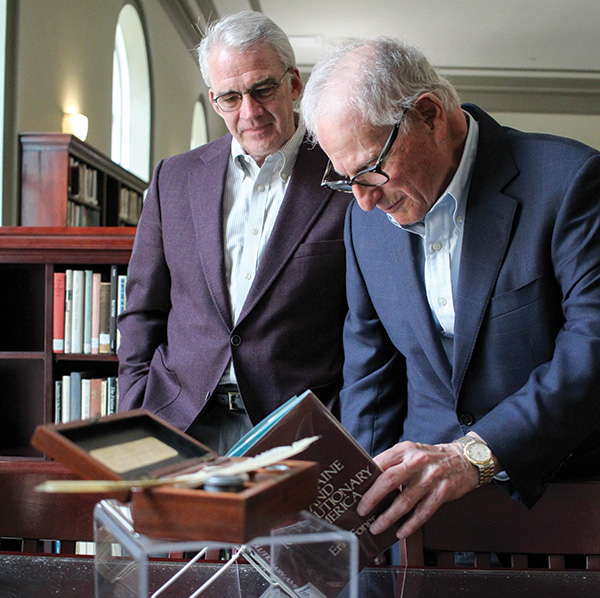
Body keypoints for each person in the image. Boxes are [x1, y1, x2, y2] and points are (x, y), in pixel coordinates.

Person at [300, 37, 600, 541]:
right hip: (426, 520)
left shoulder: (570, 181)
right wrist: (362, 519)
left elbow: (591, 347)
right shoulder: (364, 224)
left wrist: (474, 454)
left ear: (430, 114)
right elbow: (371, 374)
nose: (365, 201)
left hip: (561, 509)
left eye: (371, 169)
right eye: (345, 179)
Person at [117, 11, 350, 454]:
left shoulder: (342, 174)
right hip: (179, 420)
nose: (250, 112)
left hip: (296, 429)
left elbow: (366, 322)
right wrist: (135, 401)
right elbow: (143, 309)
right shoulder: (175, 178)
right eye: (230, 97)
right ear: (213, 100)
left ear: (294, 84)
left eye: (263, 89)